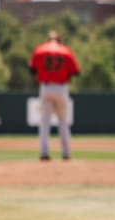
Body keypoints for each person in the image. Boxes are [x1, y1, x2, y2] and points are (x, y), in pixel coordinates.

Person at [28, 30, 80, 161]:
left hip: (46, 87)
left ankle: (44, 153)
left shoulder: (40, 49)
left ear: (48, 39)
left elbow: (31, 69)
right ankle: (65, 153)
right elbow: (76, 72)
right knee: (63, 122)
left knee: (44, 122)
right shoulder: (65, 51)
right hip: (61, 88)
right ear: (59, 39)